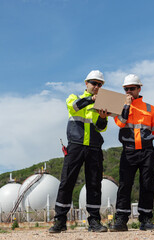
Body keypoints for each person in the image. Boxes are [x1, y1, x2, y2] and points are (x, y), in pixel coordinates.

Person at [49, 70, 110, 233]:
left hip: (94, 147)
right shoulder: (73, 97)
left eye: (100, 84)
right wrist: (91, 99)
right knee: (67, 182)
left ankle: (94, 222)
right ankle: (60, 221)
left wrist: (103, 117)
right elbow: (75, 107)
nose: (97, 86)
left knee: (94, 185)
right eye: (94, 83)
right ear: (86, 83)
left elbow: (101, 128)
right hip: (76, 145)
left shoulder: (100, 105)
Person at [110, 74, 154, 232]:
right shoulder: (119, 106)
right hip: (128, 151)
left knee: (147, 185)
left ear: (139, 88)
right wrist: (126, 106)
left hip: (147, 151)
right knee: (124, 185)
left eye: (132, 88)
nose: (128, 91)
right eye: (126, 89)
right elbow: (121, 123)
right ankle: (121, 220)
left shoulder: (150, 109)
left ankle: (146, 219)